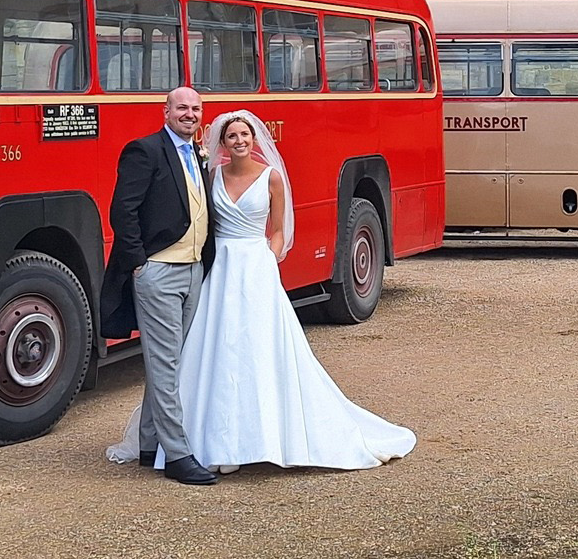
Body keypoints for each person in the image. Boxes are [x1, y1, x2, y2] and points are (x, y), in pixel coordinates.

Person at [111, 109, 415, 473]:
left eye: (245, 135)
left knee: (258, 352)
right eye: (231, 136)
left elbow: (279, 230)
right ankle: (213, 441)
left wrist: (268, 259)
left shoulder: (271, 178)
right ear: (221, 143)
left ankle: (262, 437)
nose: (239, 141)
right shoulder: (212, 176)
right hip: (220, 269)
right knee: (214, 352)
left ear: (255, 139)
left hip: (256, 268)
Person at [99, 86, 218, 485]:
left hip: (193, 269)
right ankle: (178, 454)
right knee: (166, 364)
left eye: (196, 108)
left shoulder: (197, 153)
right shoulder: (144, 150)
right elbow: (123, 210)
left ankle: (150, 443)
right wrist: (139, 265)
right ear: (165, 111)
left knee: (170, 360)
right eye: (182, 107)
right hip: (159, 272)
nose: (190, 114)